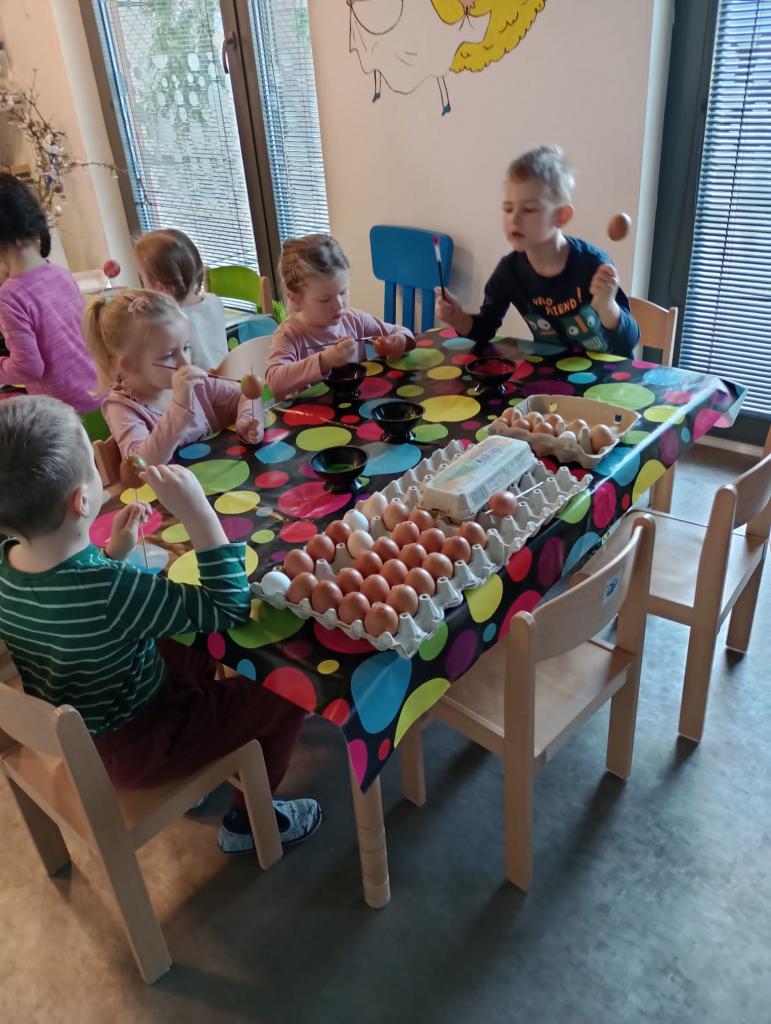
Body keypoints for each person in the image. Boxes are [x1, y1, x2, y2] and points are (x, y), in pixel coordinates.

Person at [0, 395, 321, 853]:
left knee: (185, 635)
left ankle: (210, 755)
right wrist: (198, 513)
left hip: (93, 726)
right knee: (289, 691)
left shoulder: (8, 565)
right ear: (82, 500)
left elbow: (70, 610)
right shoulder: (111, 591)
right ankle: (249, 821)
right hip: (146, 744)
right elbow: (227, 607)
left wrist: (114, 553)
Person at [435, 146, 640, 356]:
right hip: (552, 372)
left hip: (607, 372)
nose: (514, 218)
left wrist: (607, 307)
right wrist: (458, 318)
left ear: (561, 216)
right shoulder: (509, 272)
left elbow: (630, 340)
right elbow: (485, 329)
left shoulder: (592, 265)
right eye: (508, 208)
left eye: (529, 209)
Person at [84, 289, 263, 463]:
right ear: (129, 364)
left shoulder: (197, 384)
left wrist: (247, 419)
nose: (185, 363)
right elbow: (140, 465)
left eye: (186, 347)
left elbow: (244, 394)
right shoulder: (122, 407)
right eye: (169, 355)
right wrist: (179, 407)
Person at [266, 233, 414, 399]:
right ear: (296, 298)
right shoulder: (289, 335)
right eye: (325, 299)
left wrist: (398, 342)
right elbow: (274, 382)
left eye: (343, 292)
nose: (339, 305)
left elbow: (403, 332)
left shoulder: (354, 320)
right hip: (309, 414)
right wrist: (324, 361)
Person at [0, 172, 102, 414]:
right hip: (101, 392)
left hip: (65, 410)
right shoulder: (59, 273)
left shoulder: (9, 297)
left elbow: (29, 368)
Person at [133, 228, 229, 371]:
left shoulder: (166, 320)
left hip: (195, 383)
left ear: (161, 288)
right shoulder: (214, 300)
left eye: (142, 279)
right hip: (227, 377)